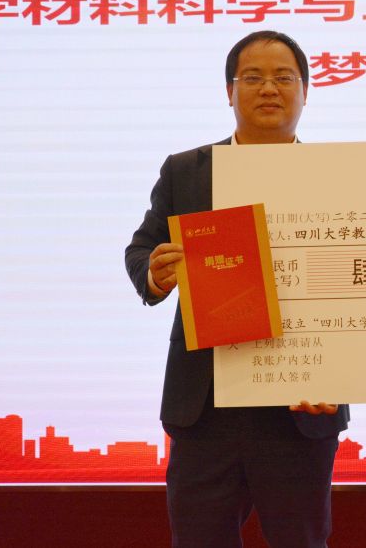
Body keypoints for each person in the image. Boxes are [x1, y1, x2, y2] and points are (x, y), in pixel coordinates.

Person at [125, 30, 349, 548]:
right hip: (206, 405)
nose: (268, 88)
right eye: (253, 77)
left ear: (306, 91)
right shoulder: (187, 171)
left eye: (283, 77)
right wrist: (154, 272)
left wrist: (340, 375)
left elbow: (357, 282)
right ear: (229, 91)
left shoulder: (339, 175)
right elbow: (142, 249)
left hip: (301, 403)